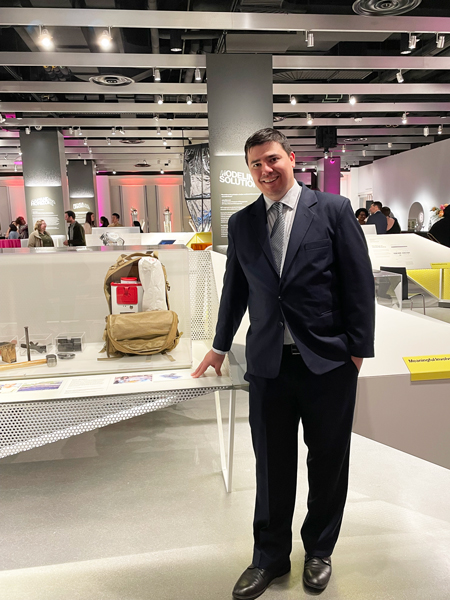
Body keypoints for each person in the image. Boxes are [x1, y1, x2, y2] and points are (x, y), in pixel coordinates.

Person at [192, 128, 375, 597]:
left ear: (292, 159)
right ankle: (269, 558)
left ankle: (318, 551)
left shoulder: (331, 210)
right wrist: (218, 343)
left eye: (271, 160)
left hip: (328, 363)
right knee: (271, 465)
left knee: (328, 461)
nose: (264, 171)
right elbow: (236, 289)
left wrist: (357, 351)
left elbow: (358, 284)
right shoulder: (244, 222)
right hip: (269, 364)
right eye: (255, 164)